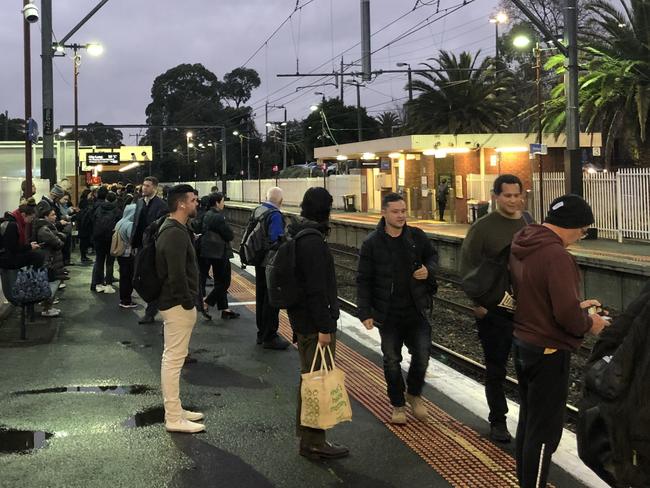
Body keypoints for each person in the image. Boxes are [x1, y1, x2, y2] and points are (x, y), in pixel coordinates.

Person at [509, 194, 608, 488]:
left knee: (529, 424)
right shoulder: (556, 255)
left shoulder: (524, 243)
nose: (581, 236)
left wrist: (575, 308)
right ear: (572, 225)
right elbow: (565, 315)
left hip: (523, 341)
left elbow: (535, 296)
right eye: (583, 229)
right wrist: (592, 323)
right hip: (548, 350)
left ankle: (525, 482)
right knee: (545, 434)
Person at [356, 192, 438, 424]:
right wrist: (365, 311)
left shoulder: (416, 237)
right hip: (388, 313)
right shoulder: (372, 243)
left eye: (403, 211)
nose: (401, 215)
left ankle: (414, 394)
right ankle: (398, 404)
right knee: (392, 359)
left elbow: (433, 256)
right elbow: (364, 279)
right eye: (396, 211)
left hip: (416, 309)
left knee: (422, 355)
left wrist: (428, 270)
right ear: (384, 213)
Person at [459, 174, 529, 443]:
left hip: (526, 313)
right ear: (496, 196)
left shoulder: (528, 222)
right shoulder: (483, 228)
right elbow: (467, 268)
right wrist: (478, 305)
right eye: (507, 195)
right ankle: (498, 421)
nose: (513, 200)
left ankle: (527, 422)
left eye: (516, 194)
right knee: (496, 369)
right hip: (494, 313)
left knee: (527, 370)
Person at [287, 187, 349, 460]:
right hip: (314, 325)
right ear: (325, 209)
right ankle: (314, 441)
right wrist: (325, 328)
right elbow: (316, 289)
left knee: (311, 378)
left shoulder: (302, 235)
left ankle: (310, 438)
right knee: (317, 381)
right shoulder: (312, 241)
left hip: (304, 321)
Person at [156, 184, 204, 433]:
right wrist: (187, 302)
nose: (197, 204)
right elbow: (176, 274)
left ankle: (176, 409)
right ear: (182, 204)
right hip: (176, 305)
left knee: (173, 359)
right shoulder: (174, 233)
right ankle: (173, 417)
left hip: (174, 303)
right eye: (194, 200)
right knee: (173, 360)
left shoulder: (175, 228)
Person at [253, 187, 289, 350]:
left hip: (258, 260)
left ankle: (261, 333)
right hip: (270, 263)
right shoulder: (275, 215)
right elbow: (277, 240)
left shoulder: (258, 210)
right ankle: (270, 336)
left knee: (261, 297)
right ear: (281, 201)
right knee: (271, 299)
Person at [131, 176, 169, 324]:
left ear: (155, 188)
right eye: (143, 185)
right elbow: (136, 224)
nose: (143, 188)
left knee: (152, 279)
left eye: (147, 186)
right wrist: (134, 244)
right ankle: (151, 308)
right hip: (141, 246)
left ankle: (151, 311)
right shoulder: (140, 202)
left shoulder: (162, 206)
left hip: (153, 247)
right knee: (138, 277)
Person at [199, 192, 239, 320]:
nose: (223, 203)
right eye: (222, 201)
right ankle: (207, 302)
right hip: (220, 252)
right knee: (224, 283)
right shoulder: (218, 217)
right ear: (217, 203)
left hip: (210, 252)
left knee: (218, 281)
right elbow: (229, 235)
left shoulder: (206, 214)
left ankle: (224, 309)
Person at [90, 188, 121, 293]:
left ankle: (98, 284)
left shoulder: (98, 208)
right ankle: (108, 284)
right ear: (115, 200)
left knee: (99, 261)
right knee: (110, 262)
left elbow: (92, 220)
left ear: (106, 199)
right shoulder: (117, 210)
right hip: (111, 239)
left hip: (98, 238)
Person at [0, 204, 43, 269]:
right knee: (37, 256)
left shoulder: (13, 222)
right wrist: (29, 247)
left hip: (6, 256)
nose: (31, 220)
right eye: (31, 217)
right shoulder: (13, 225)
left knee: (36, 254)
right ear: (23, 215)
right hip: (6, 259)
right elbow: (13, 248)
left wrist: (29, 246)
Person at [115, 202, 137, 308]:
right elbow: (132, 239)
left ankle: (123, 299)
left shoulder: (120, 221)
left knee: (123, 276)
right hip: (127, 254)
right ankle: (126, 300)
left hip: (120, 253)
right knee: (128, 277)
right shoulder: (130, 224)